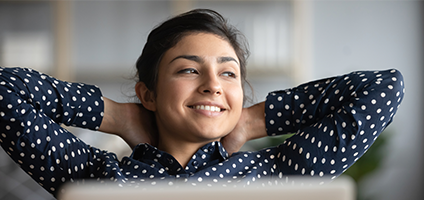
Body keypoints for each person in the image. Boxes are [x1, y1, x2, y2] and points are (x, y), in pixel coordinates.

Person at [0, 9, 404, 198]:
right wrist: (119, 116)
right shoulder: (93, 174)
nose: (213, 85)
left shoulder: (276, 173)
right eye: (189, 70)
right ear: (149, 95)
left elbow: (384, 88)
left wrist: (250, 121)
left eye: (228, 73)